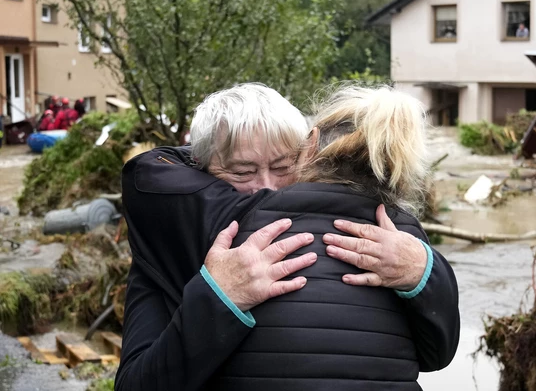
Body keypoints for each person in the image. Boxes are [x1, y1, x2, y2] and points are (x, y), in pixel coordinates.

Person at [118, 84, 459, 390]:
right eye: (241, 171)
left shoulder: (393, 240)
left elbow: (434, 354)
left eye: (282, 167)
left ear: (309, 151)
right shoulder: (172, 235)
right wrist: (219, 298)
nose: (265, 187)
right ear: (197, 168)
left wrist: (422, 270)